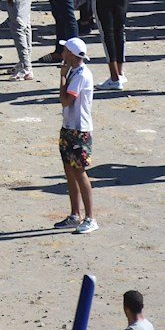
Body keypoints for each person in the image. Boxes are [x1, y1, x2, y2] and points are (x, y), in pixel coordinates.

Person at [57, 36, 97, 233]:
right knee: (69, 171)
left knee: (79, 173)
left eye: (65, 51)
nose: (62, 53)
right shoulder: (76, 71)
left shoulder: (80, 75)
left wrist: (62, 77)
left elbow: (65, 101)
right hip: (69, 127)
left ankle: (90, 218)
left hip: (79, 130)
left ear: (71, 55)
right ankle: (75, 215)